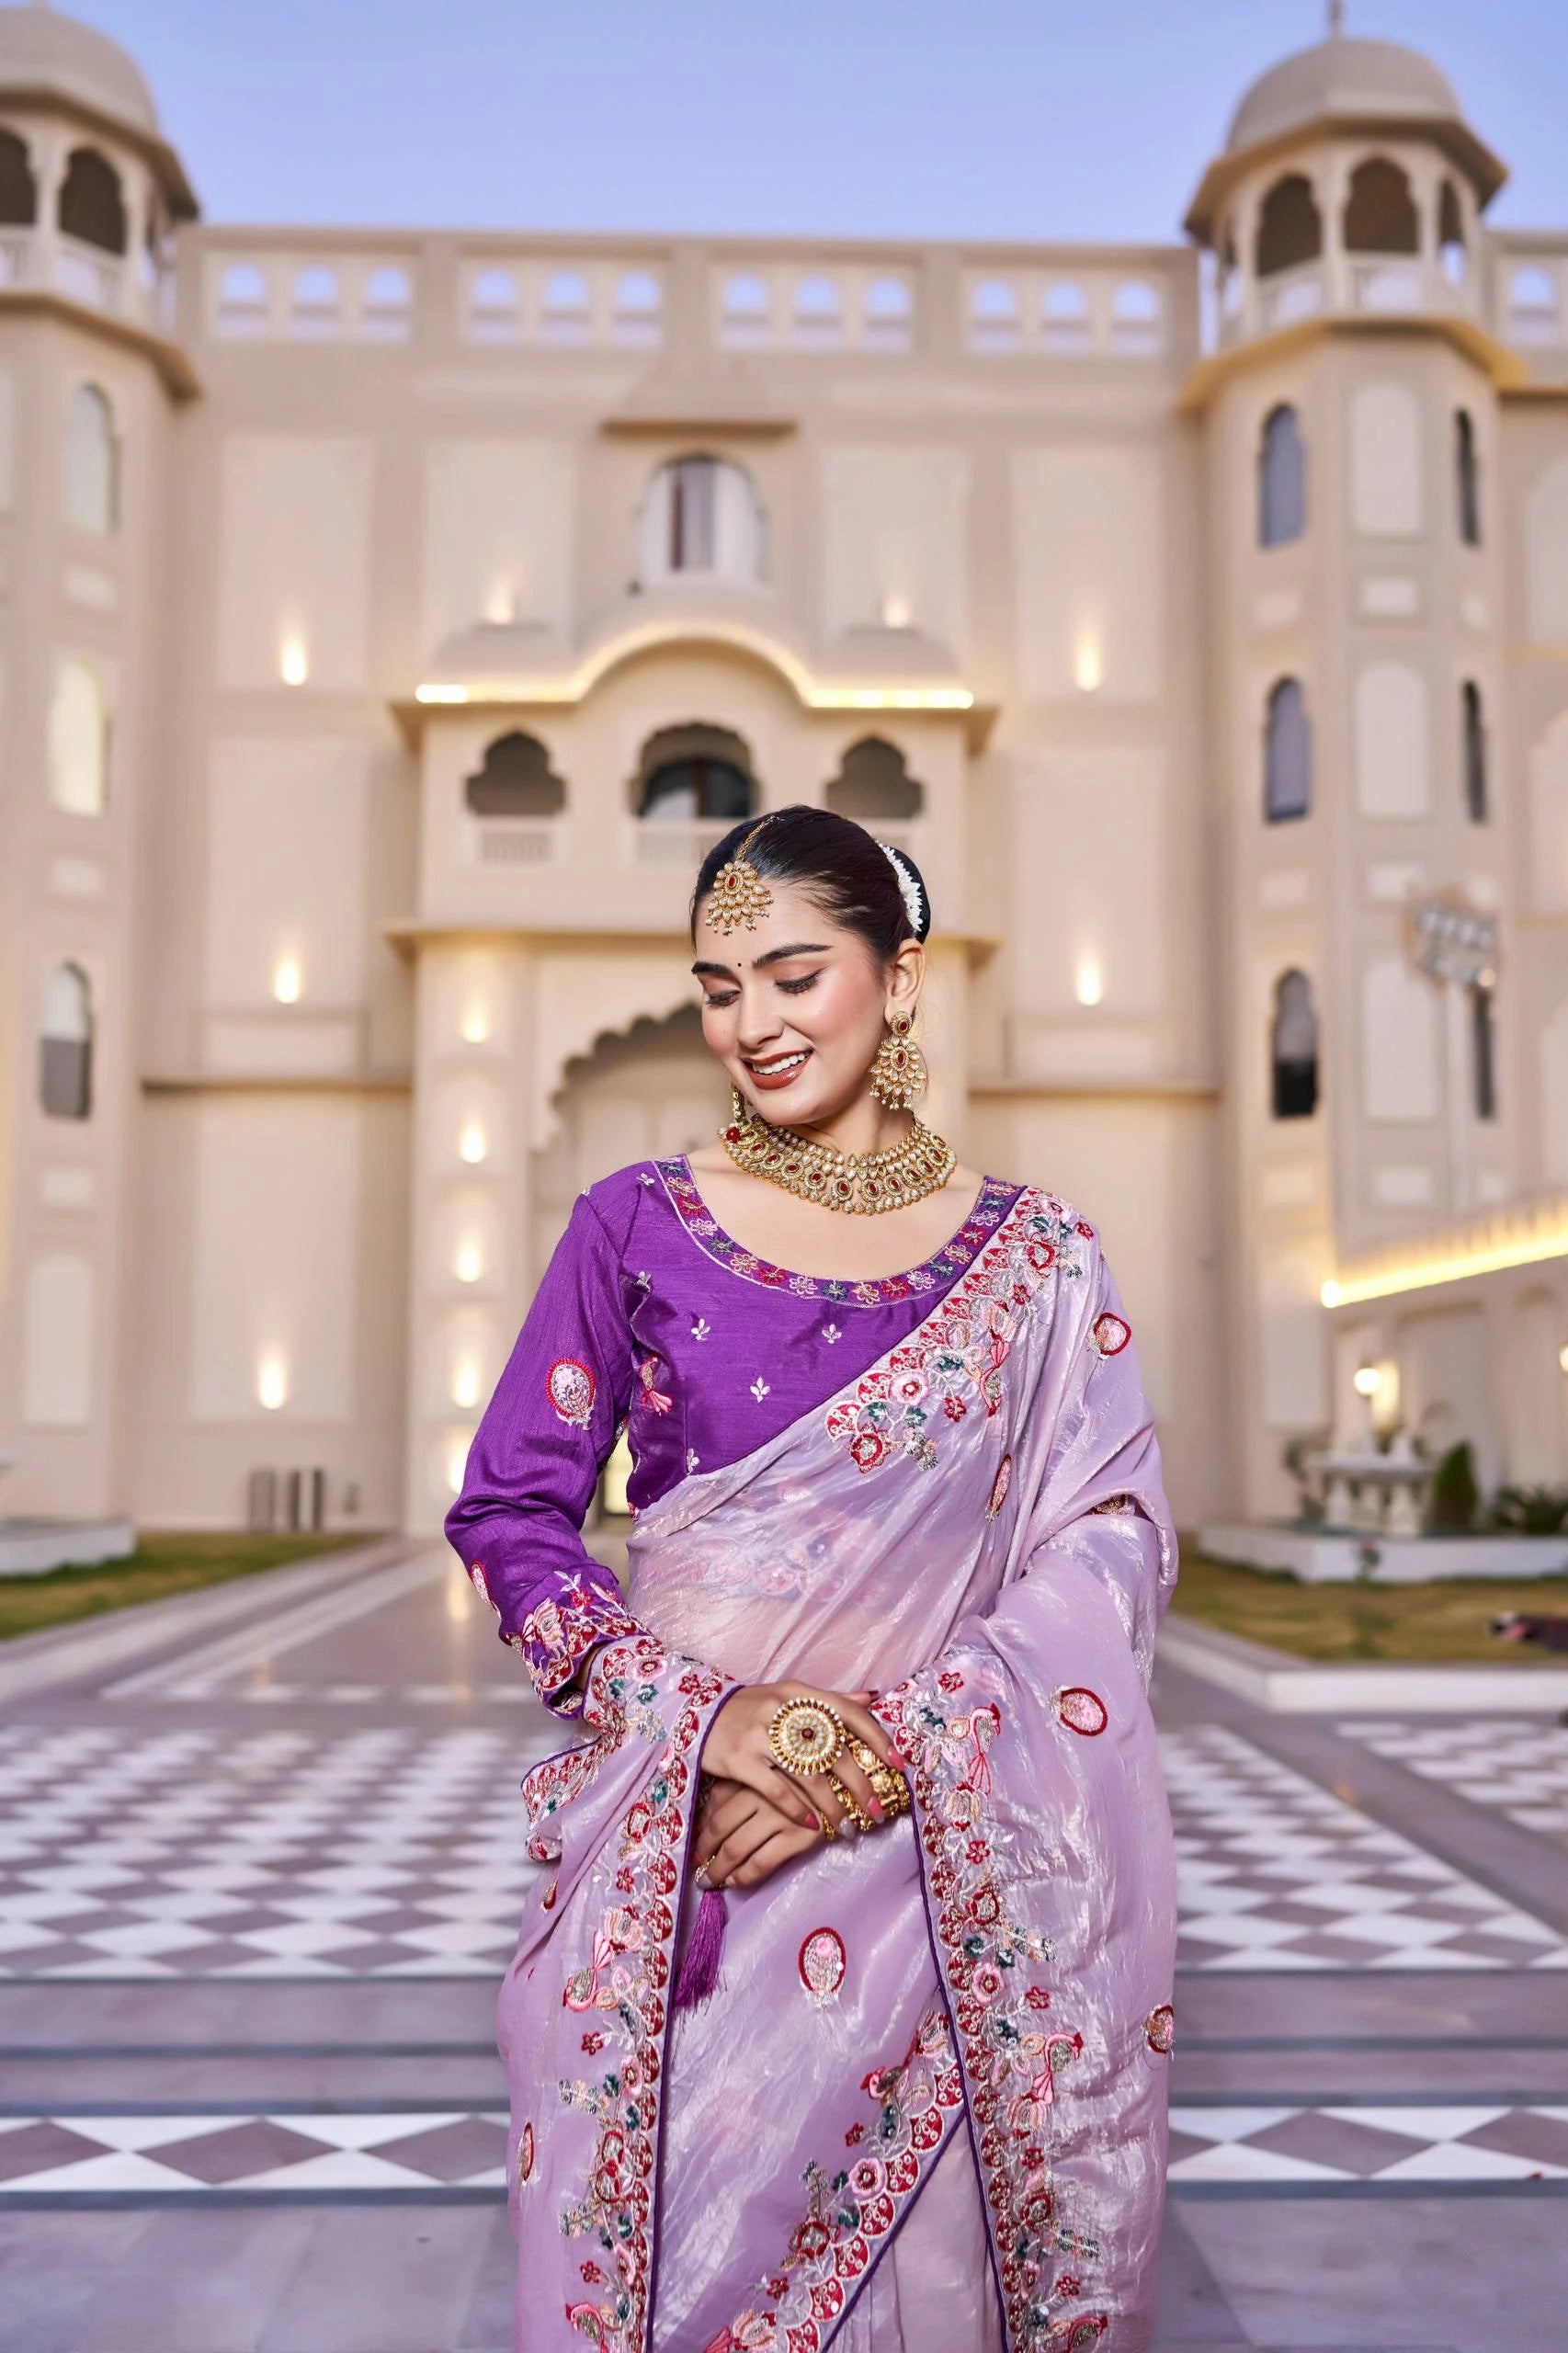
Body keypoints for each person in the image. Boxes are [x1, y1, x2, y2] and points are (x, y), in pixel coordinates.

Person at [447, 804, 1178, 2353]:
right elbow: (511, 1511)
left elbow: (1102, 1548)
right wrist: (707, 1719)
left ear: (897, 980)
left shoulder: (1037, 1265)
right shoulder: (632, 1226)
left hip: (937, 1877)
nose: (752, 1025)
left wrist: (878, 1750)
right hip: (682, 1870)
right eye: (720, 988)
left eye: (793, 975)